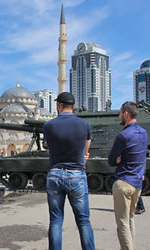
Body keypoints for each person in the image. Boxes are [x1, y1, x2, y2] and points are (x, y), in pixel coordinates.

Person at [43, 92, 95, 250]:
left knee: (56, 221)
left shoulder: (49, 125)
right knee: (84, 221)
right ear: (74, 106)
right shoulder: (84, 125)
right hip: (77, 175)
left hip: (55, 174)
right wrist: (83, 156)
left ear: (58, 105)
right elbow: (86, 149)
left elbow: (48, 147)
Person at [108, 101, 148, 250]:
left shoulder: (123, 136)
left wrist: (118, 159)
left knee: (122, 223)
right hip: (137, 184)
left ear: (125, 114)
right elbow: (143, 157)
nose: (119, 116)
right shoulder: (144, 133)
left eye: (119, 113)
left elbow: (111, 160)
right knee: (130, 219)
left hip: (123, 182)